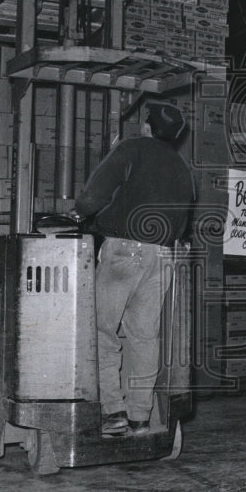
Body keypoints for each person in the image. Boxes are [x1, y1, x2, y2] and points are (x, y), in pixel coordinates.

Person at [71, 99, 195, 437]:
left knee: (102, 332)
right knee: (144, 337)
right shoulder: (182, 168)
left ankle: (114, 414)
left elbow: (94, 194)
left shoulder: (132, 148)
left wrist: (82, 211)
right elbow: (183, 223)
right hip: (163, 257)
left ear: (147, 126)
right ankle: (141, 417)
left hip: (124, 250)